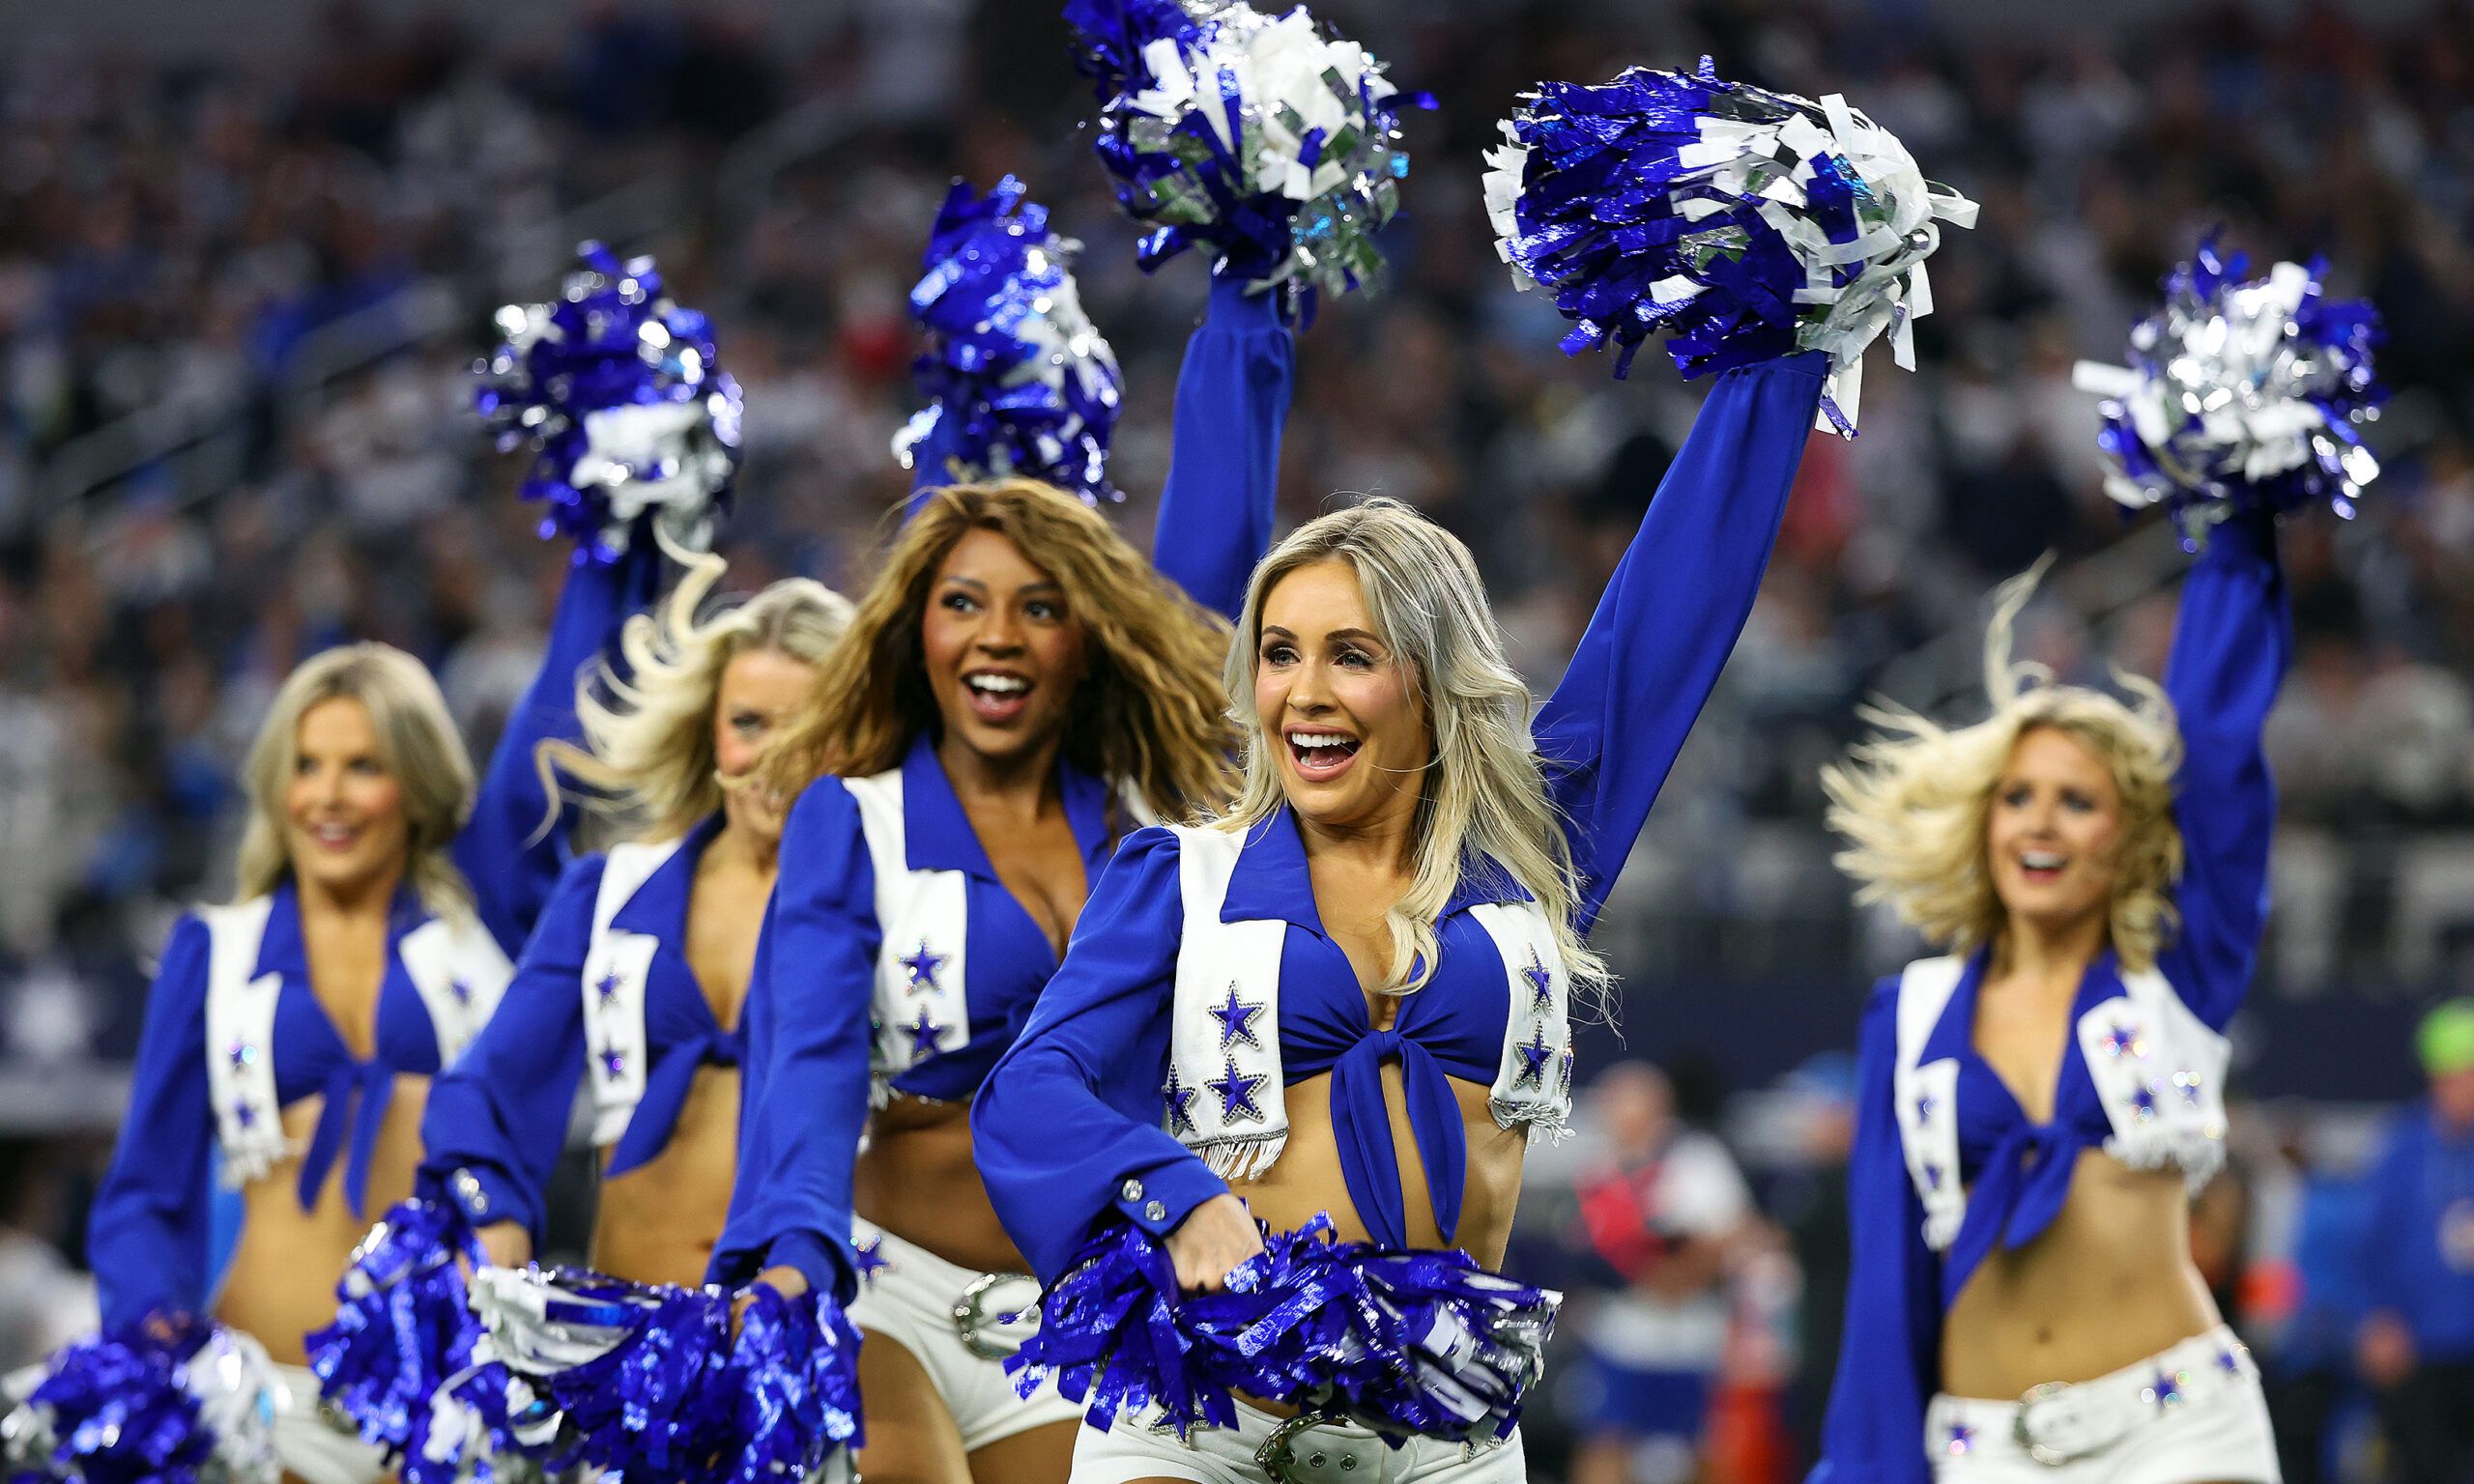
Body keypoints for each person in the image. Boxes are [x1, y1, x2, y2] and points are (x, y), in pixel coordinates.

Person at [974, 350, 1827, 1483]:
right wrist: (1172, 1195)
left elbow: (1669, 616)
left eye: (1351, 656)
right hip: (1196, 1422)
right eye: (1279, 654)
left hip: (1443, 1432)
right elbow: (1027, 1091)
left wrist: (1784, 358)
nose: (1303, 693)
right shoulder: (1180, 875)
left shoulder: (1535, 854)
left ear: (1431, 680)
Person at [708, 276, 1291, 1484]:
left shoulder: (1149, 827)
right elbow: (807, 1062)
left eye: (1039, 609)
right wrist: (790, 1256)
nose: (998, 635)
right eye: (961, 603)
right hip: (885, 1294)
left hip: (1082, 1305)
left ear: (1087, 644)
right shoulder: (847, 822)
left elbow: (1214, 564)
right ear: (916, 634)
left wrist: (1248, 309)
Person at [83, 546, 653, 1484]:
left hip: (445, 1405)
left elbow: (563, 725)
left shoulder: (481, 918)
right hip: (261, 1407)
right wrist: (158, 1350)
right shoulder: (213, 950)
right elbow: (146, 1191)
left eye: (363, 766)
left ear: (416, 783)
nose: (329, 796)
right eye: (307, 766)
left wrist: (613, 533)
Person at [1810, 509, 2291, 1484]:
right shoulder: (1905, 1016)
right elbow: (1884, 1284)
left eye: (2077, 802)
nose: (2041, 824)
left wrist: (2232, 521)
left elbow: (2218, 752)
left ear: (2125, 839)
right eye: (2018, 796)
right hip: (1980, 1447)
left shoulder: (2179, 980)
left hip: (2181, 1429)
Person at [417, 550, 852, 1285]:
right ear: (709, 732)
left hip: (820, 1345)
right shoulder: (611, 893)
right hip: (628, 1345)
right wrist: (491, 1211)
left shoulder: (895, 906)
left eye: (809, 726)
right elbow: (485, 1086)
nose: (776, 756)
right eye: (748, 723)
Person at [1568, 1062, 1757, 1484]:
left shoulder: (1696, 1158)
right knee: (1607, 1438)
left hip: (1690, 1334)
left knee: (1701, 1447)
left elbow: (1733, 1233)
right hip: (1621, 1330)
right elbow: (1586, 1242)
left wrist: (1676, 1269)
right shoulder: (1600, 1166)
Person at [2353, 998, 2474, 1484]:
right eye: (2455, 1075)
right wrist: (2377, 1318)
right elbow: (2369, 1242)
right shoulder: (2404, 1147)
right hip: (2417, 1346)